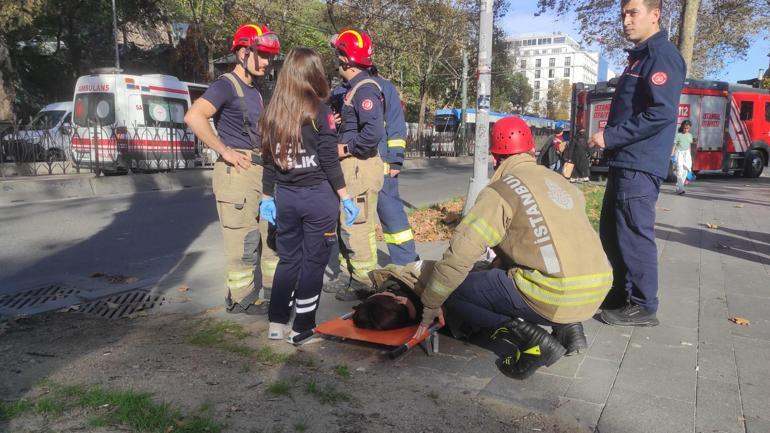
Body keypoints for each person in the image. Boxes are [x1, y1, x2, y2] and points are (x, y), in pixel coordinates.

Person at [408, 116, 612, 379]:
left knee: (454, 291)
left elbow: (459, 256)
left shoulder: (500, 191)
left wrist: (430, 307)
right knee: (542, 274)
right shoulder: (559, 182)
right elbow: (541, 239)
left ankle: (532, 342)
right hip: (596, 290)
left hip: (554, 294)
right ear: (531, 150)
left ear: (495, 158)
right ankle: (570, 331)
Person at [588, 0, 686, 326]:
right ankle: (621, 295)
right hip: (625, 161)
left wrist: (611, 136)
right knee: (612, 233)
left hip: (639, 164)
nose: (626, 21)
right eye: (623, 15)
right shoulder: (641, 58)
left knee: (633, 233)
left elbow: (661, 113)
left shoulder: (662, 56)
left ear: (654, 15)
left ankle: (644, 305)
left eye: (633, 13)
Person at [258, 48, 359, 341]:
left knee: (288, 260)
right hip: (318, 199)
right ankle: (302, 326)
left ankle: (276, 323)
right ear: (313, 74)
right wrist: (345, 197)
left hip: (286, 198)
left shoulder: (272, 112)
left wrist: (267, 198)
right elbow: (328, 159)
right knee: (313, 262)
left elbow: (268, 160)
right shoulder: (320, 112)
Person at [185, 23, 281, 315]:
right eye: (261, 55)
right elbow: (194, 116)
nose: (267, 62)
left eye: (270, 56)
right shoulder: (226, 85)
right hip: (237, 173)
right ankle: (241, 298)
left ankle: (270, 294)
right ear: (242, 53)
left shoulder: (255, 90)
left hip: (258, 170)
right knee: (243, 239)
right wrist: (224, 150)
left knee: (269, 238)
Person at [328, 64, 419, 267]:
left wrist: (395, 158)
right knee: (353, 220)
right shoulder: (341, 91)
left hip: (381, 163)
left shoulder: (383, 87)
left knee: (392, 217)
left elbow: (395, 123)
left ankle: (407, 265)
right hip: (352, 164)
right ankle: (353, 267)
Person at [323, 29, 386, 302]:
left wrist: (344, 148)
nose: (335, 59)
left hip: (359, 165)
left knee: (356, 226)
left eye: (338, 53)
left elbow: (373, 133)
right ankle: (350, 274)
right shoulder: (352, 90)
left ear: (346, 59)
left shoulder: (365, 89)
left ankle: (363, 282)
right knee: (347, 224)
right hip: (352, 168)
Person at [672, 120, 693, 195]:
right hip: (679, 152)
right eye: (685, 128)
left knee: (686, 171)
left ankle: (679, 188)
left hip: (686, 153)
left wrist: (689, 155)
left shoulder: (690, 135)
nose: (686, 130)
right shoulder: (678, 135)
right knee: (679, 170)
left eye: (687, 128)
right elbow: (674, 145)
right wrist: (672, 155)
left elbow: (689, 146)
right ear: (682, 127)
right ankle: (680, 189)